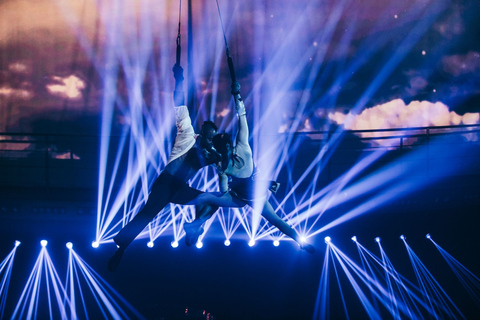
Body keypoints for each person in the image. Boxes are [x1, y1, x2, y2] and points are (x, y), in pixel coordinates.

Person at [107, 63, 222, 271]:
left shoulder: (209, 153)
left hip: (180, 189)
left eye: (210, 136)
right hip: (166, 183)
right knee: (147, 213)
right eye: (205, 133)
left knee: (215, 201)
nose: (207, 137)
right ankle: (121, 248)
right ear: (201, 131)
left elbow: (225, 163)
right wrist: (179, 79)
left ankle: (194, 226)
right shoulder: (187, 133)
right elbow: (179, 105)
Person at [183, 81, 315, 253]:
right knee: (277, 221)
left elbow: (223, 189)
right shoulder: (243, 147)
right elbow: (242, 117)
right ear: (230, 143)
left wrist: (227, 187)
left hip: (242, 198)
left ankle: (196, 224)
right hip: (251, 197)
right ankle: (301, 242)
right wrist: (237, 95)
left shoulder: (223, 165)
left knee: (204, 199)